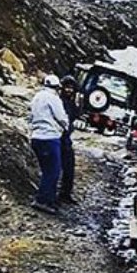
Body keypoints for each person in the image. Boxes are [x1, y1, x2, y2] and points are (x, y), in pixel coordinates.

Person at [28, 74, 69, 215]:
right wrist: (66, 127)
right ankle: (43, 200)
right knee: (53, 172)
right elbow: (61, 117)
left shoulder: (37, 97)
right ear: (57, 87)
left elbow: (31, 116)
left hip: (36, 138)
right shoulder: (53, 98)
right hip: (49, 138)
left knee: (47, 170)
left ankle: (49, 199)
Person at [58, 76, 79, 204]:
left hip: (66, 138)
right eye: (67, 87)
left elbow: (76, 115)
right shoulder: (59, 101)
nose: (69, 90)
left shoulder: (71, 102)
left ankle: (65, 193)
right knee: (56, 167)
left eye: (71, 88)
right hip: (58, 136)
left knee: (69, 167)